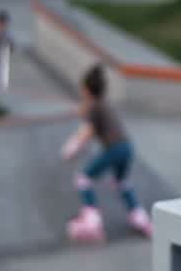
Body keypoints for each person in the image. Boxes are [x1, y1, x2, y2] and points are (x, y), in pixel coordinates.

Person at [61, 64, 153, 242]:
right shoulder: (103, 103)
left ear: (86, 89)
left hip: (114, 149)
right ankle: (140, 218)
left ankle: (92, 221)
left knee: (83, 179)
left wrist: (71, 148)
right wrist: (84, 110)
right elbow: (90, 114)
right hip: (127, 148)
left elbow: (87, 131)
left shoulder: (94, 107)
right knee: (121, 182)